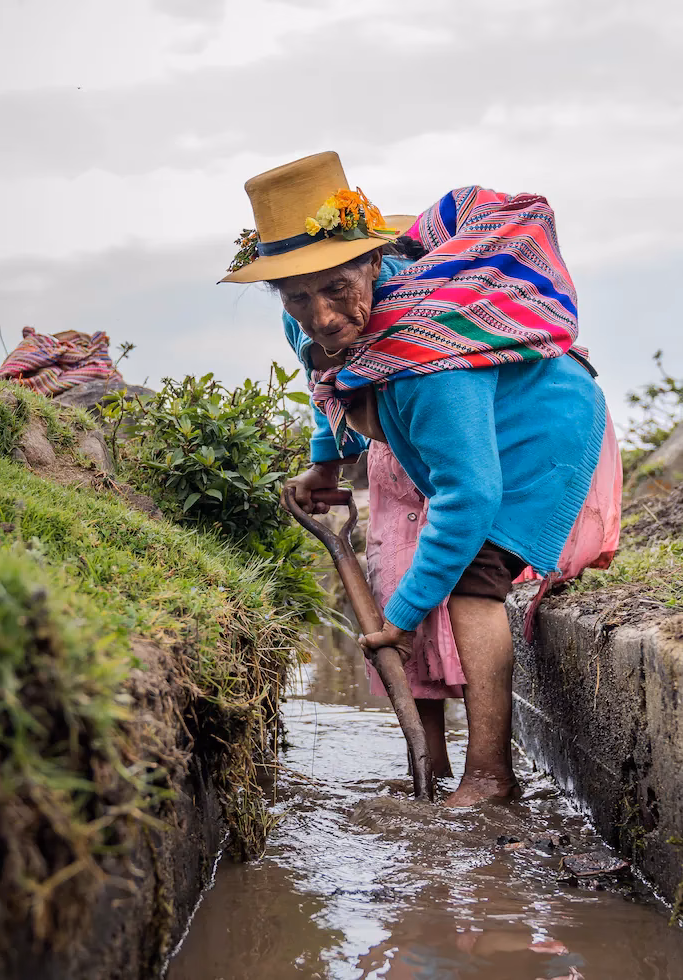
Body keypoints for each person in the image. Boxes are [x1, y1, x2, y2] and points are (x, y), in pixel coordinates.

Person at [222, 151, 621, 806]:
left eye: (337, 288)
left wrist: (402, 620)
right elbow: (324, 376)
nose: (321, 315)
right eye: (298, 296)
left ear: (373, 263)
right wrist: (327, 463)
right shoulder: (321, 328)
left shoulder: (426, 357)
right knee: (451, 563)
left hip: (541, 429)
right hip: (476, 430)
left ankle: (490, 775)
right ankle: (455, 766)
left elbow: (470, 496)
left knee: (473, 578)